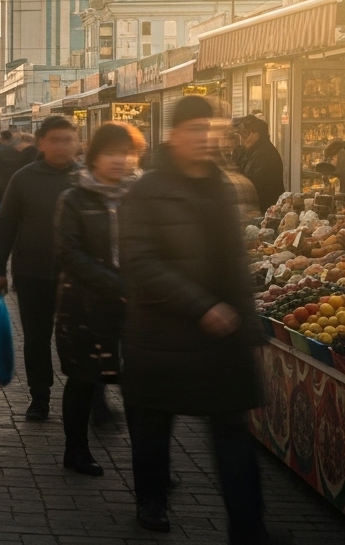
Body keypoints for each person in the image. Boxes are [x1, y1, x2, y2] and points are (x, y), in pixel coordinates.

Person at [119, 96, 269, 539]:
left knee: (233, 433)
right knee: (153, 426)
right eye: (196, 129)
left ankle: (248, 527)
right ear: (174, 135)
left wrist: (247, 322)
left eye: (213, 128)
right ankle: (151, 500)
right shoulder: (146, 189)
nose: (207, 137)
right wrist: (201, 306)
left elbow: (234, 260)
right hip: (161, 335)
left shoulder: (222, 186)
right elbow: (140, 262)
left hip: (222, 338)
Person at [53, 121, 145, 477]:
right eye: (110, 153)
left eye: (126, 153)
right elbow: (70, 253)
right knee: (83, 379)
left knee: (140, 384)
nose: (119, 160)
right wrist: (117, 285)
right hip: (84, 306)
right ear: (94, 157)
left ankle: (151, 464)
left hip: (136, 307)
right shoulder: (74, 199)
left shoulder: (141, 197)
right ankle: (76, 450)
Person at [0, 115, 81, 420]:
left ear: (77, 143)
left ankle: (89, 397)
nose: (61, 146)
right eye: (54, 140)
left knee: (79, 338)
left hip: (79, 277)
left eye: (68, 140)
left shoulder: (86, 178)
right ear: (41, 143)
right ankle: (39, 396)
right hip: (33, 272)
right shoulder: (24, 178)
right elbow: (6, 225)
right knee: (36, 339)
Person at [234, 115, 285, 212]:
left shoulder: (265, 154)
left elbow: (255, 185)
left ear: (256, 134)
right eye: (240, 134)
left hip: (265, 208)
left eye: (245, 134)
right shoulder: (249, 150)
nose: (242, 139)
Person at [0, 130, 20, 204]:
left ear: (1, 139)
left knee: (3, 203)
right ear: (11, 138)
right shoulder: (17, 149)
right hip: (16, 181)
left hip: (1, 182)